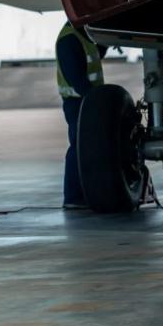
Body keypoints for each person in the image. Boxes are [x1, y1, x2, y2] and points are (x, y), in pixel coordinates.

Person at [55, 21, 106, 209]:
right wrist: (94, 100)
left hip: (86, 100)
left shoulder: (83, 35)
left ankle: (84, 194)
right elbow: (75, 77)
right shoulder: (69, 38)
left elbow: (94, 57)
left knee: (86, 147)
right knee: (78, 147)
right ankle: (73, 197)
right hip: (78, 102)